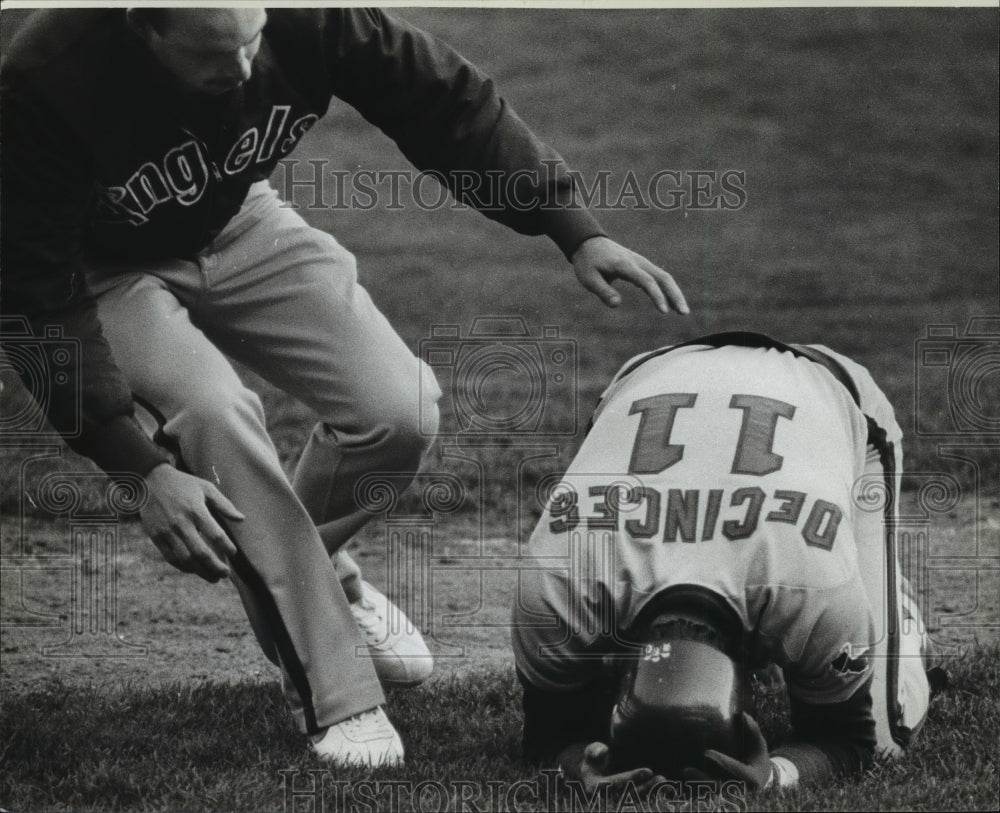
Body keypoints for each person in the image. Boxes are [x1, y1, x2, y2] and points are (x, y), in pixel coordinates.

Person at [0, 8, 688, 767]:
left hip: (237, 219)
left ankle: (316, 577)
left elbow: (440, 98)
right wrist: (139, 468)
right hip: (98, 271)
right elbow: (36, 298)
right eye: (213, 57)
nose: (241, 72)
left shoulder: (310, 15)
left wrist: (572, 227)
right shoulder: (42, 78)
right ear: (144, 29)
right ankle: (338, 697)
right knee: (217, 416)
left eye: (252, 41)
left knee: (398, 409)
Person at [512, 332, 932, 792]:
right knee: (819, 615)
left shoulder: (814, 587)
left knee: (888, 735)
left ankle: (897, 611)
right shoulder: (559, 578)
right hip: (650, 371)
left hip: (829, 387)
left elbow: (854, 740)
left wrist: (776, 774)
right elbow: (548, 740)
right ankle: (868, 596)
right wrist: (774, 774)